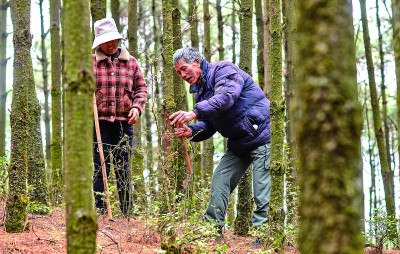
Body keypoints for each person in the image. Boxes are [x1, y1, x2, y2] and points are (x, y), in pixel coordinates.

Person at [169, 47, 271, 235]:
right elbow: (209, 125)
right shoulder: (200, 93)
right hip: (238, 142)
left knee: (261, 190)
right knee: (220, 180)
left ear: (197, 62)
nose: (182, 75)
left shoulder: (223, 69)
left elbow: (226, 97)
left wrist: (194, 112)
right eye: (178, 73)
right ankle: (211, 230)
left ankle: (263, 234)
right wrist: (190, 130)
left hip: (262, 134)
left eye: (184, 69)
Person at [91, 18, 147, 216]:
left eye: (113, 39)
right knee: (100, 166)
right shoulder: (91, 63)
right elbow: (81, 91)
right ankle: (100, 210)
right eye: (106, 41)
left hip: (124, 123)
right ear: (99, 43)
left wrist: (137, 108)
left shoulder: (131, 63)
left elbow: (141, 88)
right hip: (100, 124)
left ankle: (127, 212)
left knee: (123, 166)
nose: (111, 44)